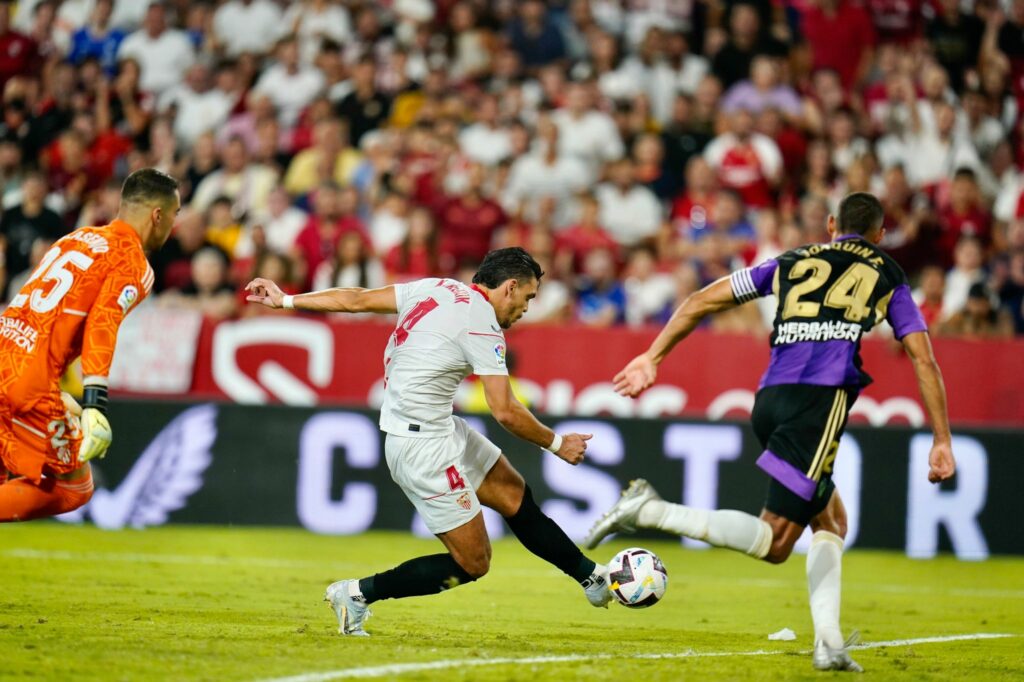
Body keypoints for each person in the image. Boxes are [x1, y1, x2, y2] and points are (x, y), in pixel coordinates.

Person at [583, 193, 956, 672]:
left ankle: (829, 643)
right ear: (881, 235)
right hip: (817, 402)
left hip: (769, 398)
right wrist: (941, 438)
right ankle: (651, 510)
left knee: (831, 522)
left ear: (829, 225)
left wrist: (652, 357)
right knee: (776, 543)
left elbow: (702, 299)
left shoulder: (790, 260)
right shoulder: (886, 272)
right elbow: (922, 356)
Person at [245, 247, 612, 636]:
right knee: (473, 562)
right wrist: (557, 443)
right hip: (422, 448)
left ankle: (592, 579)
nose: (526, 308)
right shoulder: (482, 324)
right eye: (529, 297)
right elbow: (504, 410)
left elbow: (355, 299)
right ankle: (356, 593)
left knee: (513, 495)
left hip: (439, 426)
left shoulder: (436, 288)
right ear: (510, 287)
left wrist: (286, 299)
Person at [0, 168, 179, 522]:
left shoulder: (75, 237)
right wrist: (94, 402)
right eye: (174, 216)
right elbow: (102, 323)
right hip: (26, 381)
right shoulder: (133, 262)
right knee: (72, 488)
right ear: (157, 216)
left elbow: (41, 312)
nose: (173, 225)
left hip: (7, 351)